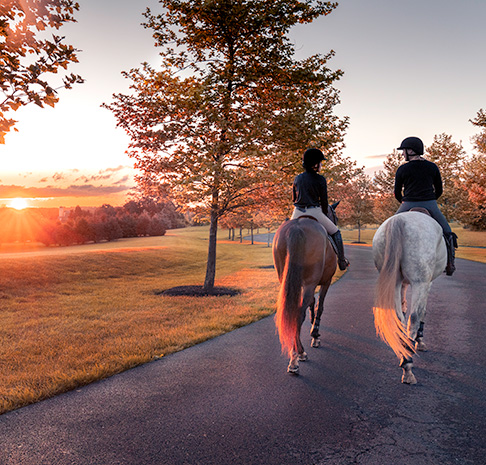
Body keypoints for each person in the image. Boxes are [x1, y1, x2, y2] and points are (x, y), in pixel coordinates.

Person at [394, 136, 457, 276]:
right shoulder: (432, 167)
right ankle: (450, 263)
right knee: (447, 231)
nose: (402, 153)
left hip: (407, 203)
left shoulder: (402, 169)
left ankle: (388, 263)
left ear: (411, 150)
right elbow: (439, 189)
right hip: (430, 203)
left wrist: (404, 201)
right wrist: (431, 199)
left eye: (404, 150)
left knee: (389, 229)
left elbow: (397, 193)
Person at [290, 148, 349, 270]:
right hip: (314, 211)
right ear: (315, 164)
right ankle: (342, 262)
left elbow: (293, 198)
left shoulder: (297, 178)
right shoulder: (320, 179)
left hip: (297, 212)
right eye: (320, 162)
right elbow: (324, 201)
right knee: (336, 232)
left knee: (288, 232)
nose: (321, 165)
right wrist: (324, 212)